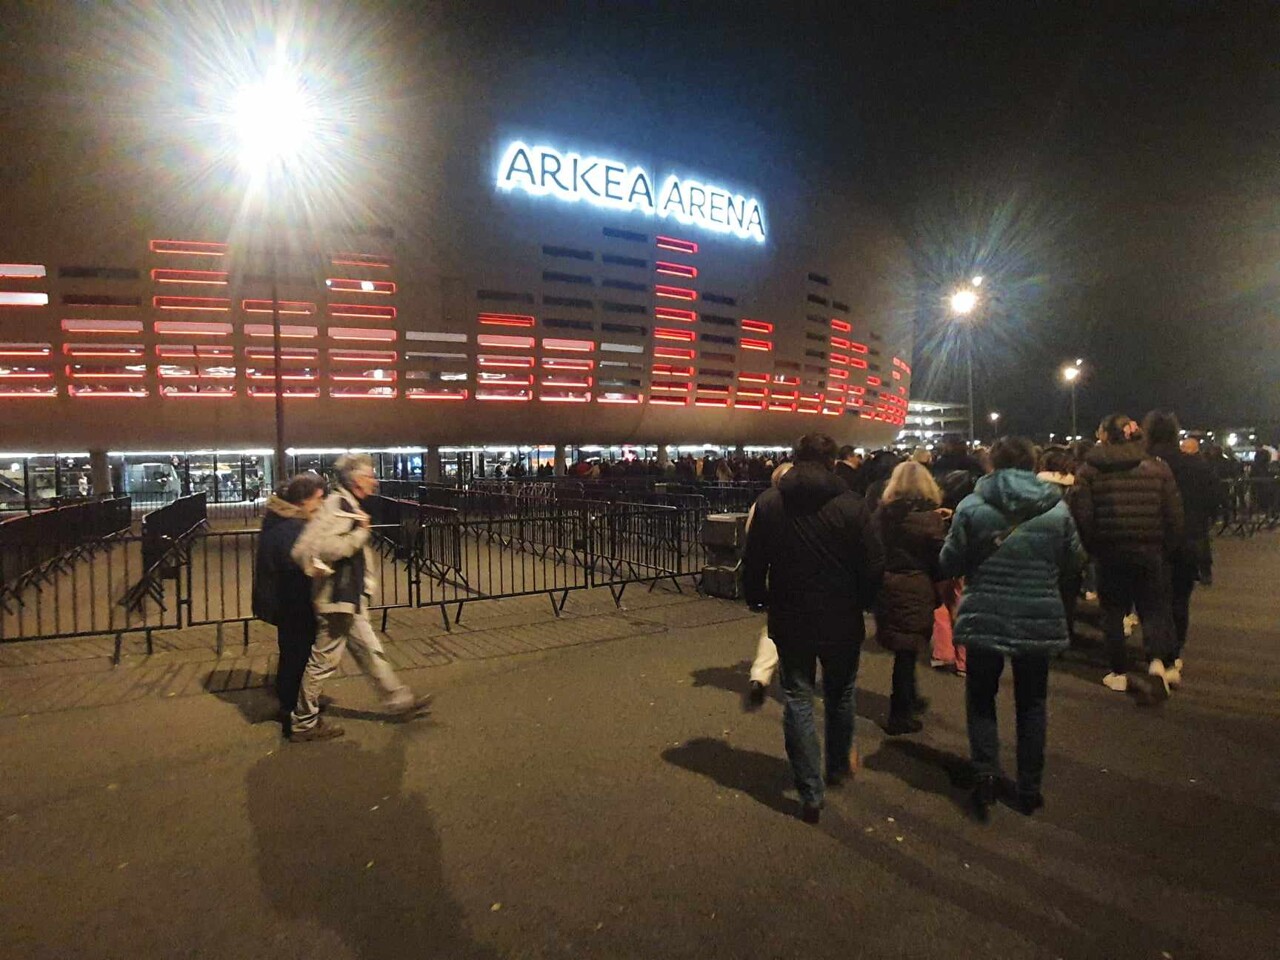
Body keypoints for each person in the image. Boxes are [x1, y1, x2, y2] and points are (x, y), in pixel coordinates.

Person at [939, 436, 1086, 820]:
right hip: (1037, 611)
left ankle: (986, 772)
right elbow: (1074, 562)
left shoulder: (971, 505)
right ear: (1032, 462)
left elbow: (950, 560)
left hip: (985, 609)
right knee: (1032, 701)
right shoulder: (1055, 507)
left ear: (993, 464)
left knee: (982, 695)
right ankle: (1029, 787)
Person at [743, 433, 885, 824]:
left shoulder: (771, 503)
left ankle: (810, 792)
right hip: (841, 614)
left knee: (798, 696)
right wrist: (864, 599)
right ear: (831, 462)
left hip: (790, 614)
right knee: (840, 693)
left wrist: (756, 596)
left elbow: (754, 560)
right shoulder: (852, 506)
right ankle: (837, 763)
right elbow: (873, 563)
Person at [288, 454, 431, 742]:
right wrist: (359, 535)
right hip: (338, 598)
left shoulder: (343, 504)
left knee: (370, 651)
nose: (374, 480)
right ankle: (303, 722)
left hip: (347, 597)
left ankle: (399, 700)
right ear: (355, 480)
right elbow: (325, 547)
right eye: (369, 475)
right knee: (324, 660)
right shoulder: (340, 506)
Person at [1072, 414, 1183, 703]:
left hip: (1109, 551)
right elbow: (1173, 515)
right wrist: (1165, 547)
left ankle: (1118, 671)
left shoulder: (1090, 470)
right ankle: (1158, 662)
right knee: (1154, 608)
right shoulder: (1158, 468)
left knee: (1113, 611)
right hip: (1151, 549)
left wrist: (1094, 547)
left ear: (1105, 435)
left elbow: (1084, 517)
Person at [873, 461, 948, 735]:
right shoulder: (930, 519)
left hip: (888, 582)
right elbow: (940, 559)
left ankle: (909, 697)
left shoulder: (882, 515)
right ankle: (899, 713)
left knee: (905, 647)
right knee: (907, 651)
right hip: (916, 584)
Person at [1143, 411, 1215, 687]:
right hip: (1189, 540)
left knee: (1152, 601)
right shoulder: (1196, 466)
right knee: (1179, 600)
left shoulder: (1144, 464)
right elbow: (1214, 501)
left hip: (1152, 540)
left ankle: (1155, 656)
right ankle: (1173, 658)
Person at [252, 473, 327, 731]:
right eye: (318, 497)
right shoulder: (290, 527)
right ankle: (295, 709)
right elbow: (298, 564)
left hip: (284, 600)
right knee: (298, 653)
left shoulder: (281, 519)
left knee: (293, 651)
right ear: (304, 499)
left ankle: (291, 701)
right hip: (291, 600)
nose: (322, 502)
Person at [745, 463, 793, 709]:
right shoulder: (802, 505)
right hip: (802, 575)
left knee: (774, 626)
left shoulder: (762, 504)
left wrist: (753, 589)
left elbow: (751, 542)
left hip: (774, 573)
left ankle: (761, 675)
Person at [1036, 446, 1082, 646]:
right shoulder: (1078, 490)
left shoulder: (1033, 490)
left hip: (1040, 551)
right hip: (1068, 550)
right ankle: (1065, 634)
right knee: (1067, 599)